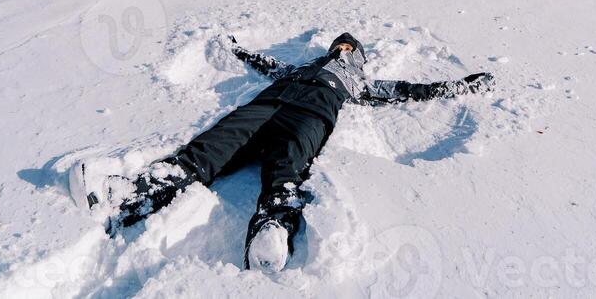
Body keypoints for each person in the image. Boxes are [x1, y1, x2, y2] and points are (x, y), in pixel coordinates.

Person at [76, 32, 494, 272]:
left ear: (360, 58)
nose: (343, 51)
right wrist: (239, 49)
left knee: (287, 166)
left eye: (350, 49)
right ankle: (135, 193)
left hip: (310, 116)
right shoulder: (297, 68)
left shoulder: (361, 83)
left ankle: (272, 229)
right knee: (213, 145)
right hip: (267, 105)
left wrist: (461, 85)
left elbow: (406, 91)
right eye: (340, 46)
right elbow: (267, 65)